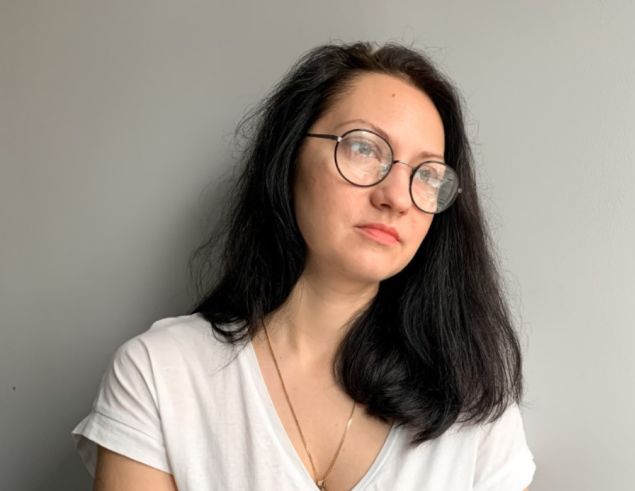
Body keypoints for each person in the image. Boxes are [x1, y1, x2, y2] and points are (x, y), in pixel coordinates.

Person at [71, 41, 536, 490]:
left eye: (428, 174)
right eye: (364, 148)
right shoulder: (160, 375)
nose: (395, 197)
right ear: (289, 158)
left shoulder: (475, 407)